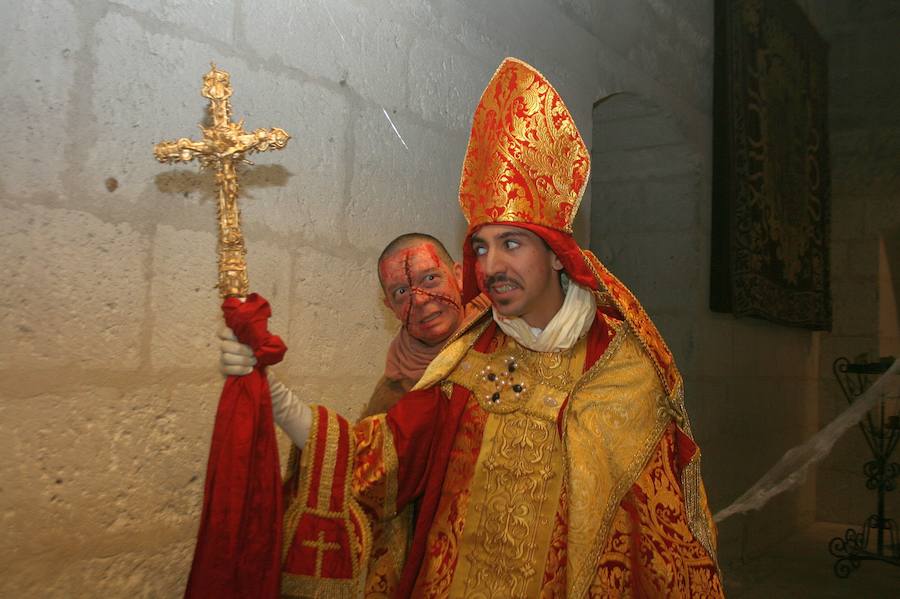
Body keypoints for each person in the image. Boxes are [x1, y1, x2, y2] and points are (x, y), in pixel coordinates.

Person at [221, 57, 723, 597]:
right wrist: (275, 397)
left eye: (512, 243)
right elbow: (386, 455)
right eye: (481, 247)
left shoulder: (620, 367)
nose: (492, 265)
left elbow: (658, 546)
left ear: (557, 255)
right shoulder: (468, 352)